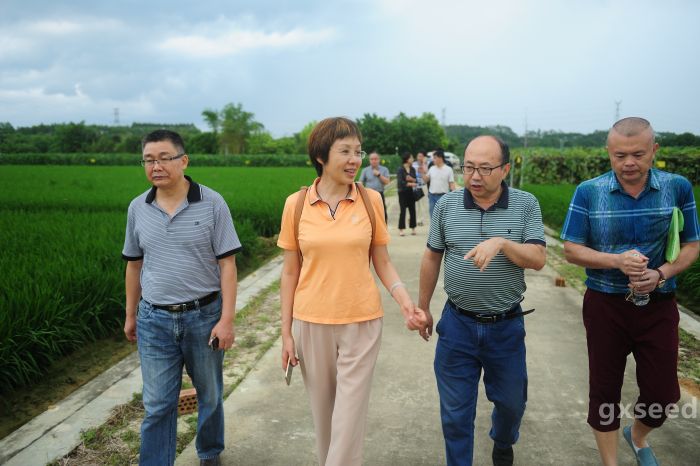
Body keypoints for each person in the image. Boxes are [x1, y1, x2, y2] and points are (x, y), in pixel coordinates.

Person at [277, 117, 427, 466]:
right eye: (345, 151)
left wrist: (406, 303)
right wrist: (285, 333)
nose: (354, 160)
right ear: (321, 156)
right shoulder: (295, 205)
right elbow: (290, 272)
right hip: (311, 322)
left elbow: (383, 262)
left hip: (361, 322)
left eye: (358, 152)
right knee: (325, 422)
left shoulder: (371, 200)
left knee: (348, 420)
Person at [560, 117, 700, 466]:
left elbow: (692, 245)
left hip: (658, 304)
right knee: (604, 389)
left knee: (663, 394)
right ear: (608, 152)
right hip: (605, 305)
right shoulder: (589, 191)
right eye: (619, 155)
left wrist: (661, 273)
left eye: (638, 154)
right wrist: (616, 261)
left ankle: (637, 436)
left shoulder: (677, 188)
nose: (629, 163)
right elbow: (571, 249)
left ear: (654, 150)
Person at [418, 135, 546, 466]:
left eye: (485, 169)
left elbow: (538, 258)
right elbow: (432, 257)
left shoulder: (525, 204)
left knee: (512, 404)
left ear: (505, 169)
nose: (475, 176)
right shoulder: (447, 206)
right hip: (457, 325)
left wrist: (502, 243)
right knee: (455, 414)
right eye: (469, 167)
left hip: (505, 327)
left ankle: (503, 441)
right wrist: (423, 307)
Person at [122, 129, 241, 466]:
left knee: (210, 394)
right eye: (148, 160)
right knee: (158, 403)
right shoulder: (138, 207)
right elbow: (134, 265)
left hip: (204, 316)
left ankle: (209, 452)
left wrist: (226, 320)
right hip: (154, 320)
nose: (156, 166)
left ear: (183, 161)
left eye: (164, 158)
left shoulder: (213, 202)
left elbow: (227, 265)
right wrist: (130, 314)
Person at [359, 150, 390, 222]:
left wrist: (379, 175)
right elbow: (360, 182)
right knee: (368, 214)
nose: (374, 161)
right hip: (368, 195)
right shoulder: (365, 170)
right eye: (372, 159)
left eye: (375, 159)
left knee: (382, 213)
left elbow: (387, 182)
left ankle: (383, 227)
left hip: (380, 194)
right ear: (369, 160)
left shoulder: (384, 169)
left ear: (379, 159)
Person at [424, 149, 456, 219]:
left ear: (440, 158)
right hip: (432, 196)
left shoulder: (448, 169)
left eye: (435, 158)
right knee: (433, 217)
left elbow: (451, 184)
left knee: (443, 217)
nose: (433, 160)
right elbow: (425, 180)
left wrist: (454, 196)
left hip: (444, 197)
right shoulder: (432, 168)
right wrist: (422, 172)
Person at [397, 151, 418, 236]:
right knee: (403, 211)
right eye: (411, 157)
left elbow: (416, 180)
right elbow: (400, 182)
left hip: (411, 192)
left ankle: (413, 228)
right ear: (407, 159)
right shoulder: (400, 169)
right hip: (402, 192)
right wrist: (409, 183)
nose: (413, 159)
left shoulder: (413, 169)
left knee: (412, 210)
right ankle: (401, 229)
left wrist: (412, 180)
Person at [413, 150, 429, 225]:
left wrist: (424, 163)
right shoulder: (413, 164)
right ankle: (415, 219)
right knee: (416, 204)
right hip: (415, 186)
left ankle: (421, 220)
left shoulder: (426, 164)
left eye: (421, 156)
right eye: (418, 156)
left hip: (423, 186)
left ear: (424, 157)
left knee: (423, 204)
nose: (419, 158)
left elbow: (427, 173)